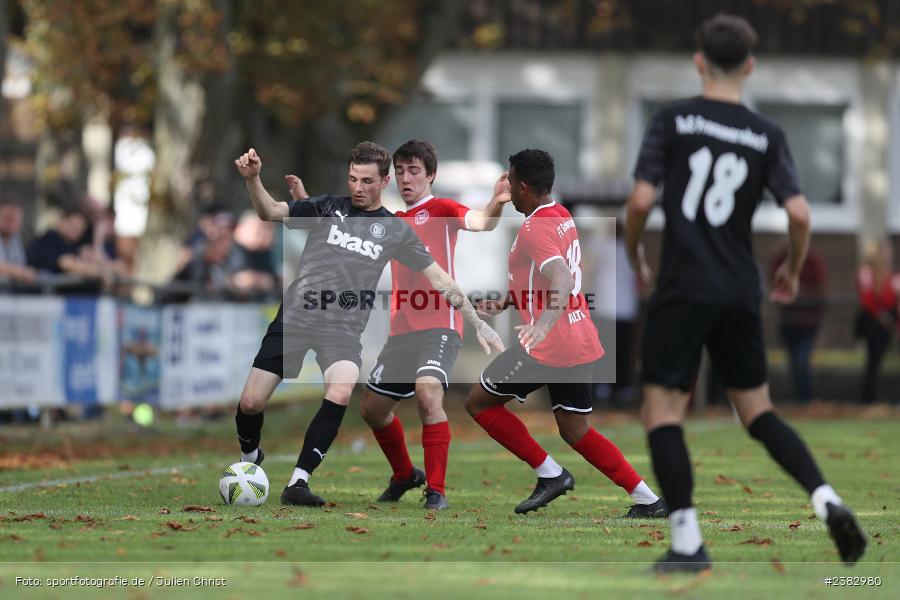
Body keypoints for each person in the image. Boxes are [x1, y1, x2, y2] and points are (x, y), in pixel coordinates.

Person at [625, 14, 865, 573]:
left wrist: (636, 251)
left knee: (662, 410)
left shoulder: (673, 120)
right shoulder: (766, 134)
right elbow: (800, 213)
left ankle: (687, 542)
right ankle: (825, 498)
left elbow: (639, 202)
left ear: (698, 59)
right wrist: (793, 271)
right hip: (738, 287)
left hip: (684, 283)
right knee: (758, 411)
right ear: (750, 66)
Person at [232, 142, 504, 507]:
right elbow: (269, 211)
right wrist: (253, 180)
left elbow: (441, 279)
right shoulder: (326, 206)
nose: (357, 187)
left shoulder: (395, 231)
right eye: (352, 179)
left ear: (382, 181)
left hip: (341, 330)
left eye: (366, 181)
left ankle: (299, 482)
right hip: (296, 318)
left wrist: (477, 323)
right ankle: (250, 458)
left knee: (342, 390)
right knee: (250, 403)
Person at [464, 149, 667, 519]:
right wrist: (507, 302)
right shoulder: (561, 217)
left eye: (510, 181)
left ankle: (550, 474)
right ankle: (649, 499)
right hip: (577, 338)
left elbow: (562, 277)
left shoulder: (534, 228)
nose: (507, 188)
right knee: (575, 429)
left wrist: (541, 324)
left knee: (478, 402)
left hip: (549, 344)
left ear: (523, 187)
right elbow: (541, 279)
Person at [354, 140, 510, 510]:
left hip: (441, 323)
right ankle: (405, 474)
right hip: (401, 330)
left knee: (428, 394)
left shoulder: (440, 209)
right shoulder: (390, 221)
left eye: (415, 171)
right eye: (402, 172)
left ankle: (436, 491)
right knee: (372, 410)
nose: (407, 179)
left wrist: (496, 204)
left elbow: (480, 222)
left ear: (430, 176)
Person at [771, 245, 826, 404]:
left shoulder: (813, 261)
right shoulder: (781, 259)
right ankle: (799, 399)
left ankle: (805, 399)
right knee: (795, 362)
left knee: (801, 360)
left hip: (808, 325)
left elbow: (820, 293)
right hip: (789, 324)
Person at [855, 241, 899, 404]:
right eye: (887, 252)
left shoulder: (889, 275)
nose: (890, 255)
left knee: (877, 361)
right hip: (873, 325)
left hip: (885, 326)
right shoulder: (867, 273)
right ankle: (868, 397)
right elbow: (867, 299)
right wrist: (883, 316)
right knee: (872, 361)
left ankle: (872, 396)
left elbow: (892, 298)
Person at [0, 198, 37, 287]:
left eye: (15, 219)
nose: (10, 223)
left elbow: (20, 265)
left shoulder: (15, 238)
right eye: (7, 218)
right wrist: (18, 272)